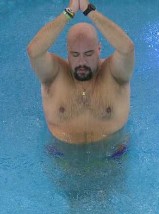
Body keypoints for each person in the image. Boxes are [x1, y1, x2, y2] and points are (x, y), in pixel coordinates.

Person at [27, 0, 135, 144]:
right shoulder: (54, 75)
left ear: (99, 49)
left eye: (89, 54)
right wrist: (69, 12)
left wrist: (89, 11)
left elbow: (127, 48)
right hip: (63, 158)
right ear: (68, 52)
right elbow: (34, 52)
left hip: (112, 157)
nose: (82, 62)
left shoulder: (114, 73)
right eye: (75, 55)